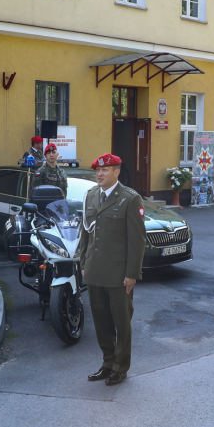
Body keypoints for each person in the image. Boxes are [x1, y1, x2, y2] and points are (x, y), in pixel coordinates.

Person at [79, 153, 147, 386]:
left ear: (116, 172)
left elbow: (137, 240)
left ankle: (120, 367)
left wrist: (132, 273)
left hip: (119, 274)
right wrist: (83, 264)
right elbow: (85, 233)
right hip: (95, 271)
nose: (99, 174)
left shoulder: (130, 199)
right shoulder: (90, 196)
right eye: (97, 170)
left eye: (105, 170)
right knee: (101, 322)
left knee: (121, 322)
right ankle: (107, 363)